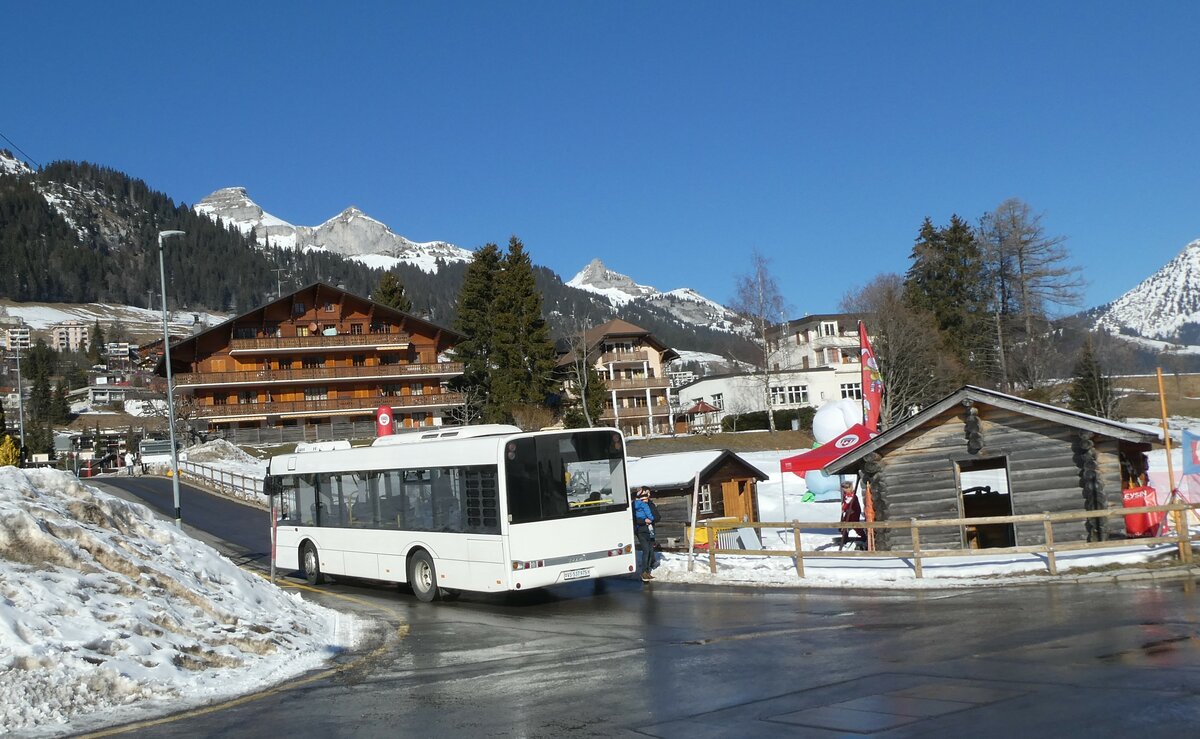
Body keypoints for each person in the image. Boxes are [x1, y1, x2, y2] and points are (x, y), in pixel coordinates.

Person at [633, 487, 658, 581]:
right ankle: (644, 572)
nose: (647, 496)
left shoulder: (637, 505)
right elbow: (650, 516)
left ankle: (646, 572)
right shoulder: (643, 505)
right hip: (642, 530)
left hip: (646, 530)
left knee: (649, 550)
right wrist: (646, 520)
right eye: (645, 494)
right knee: (646, 550)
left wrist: (651, 519)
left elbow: (657, 516)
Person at [839, 479, 866, 550]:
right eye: (844, 488)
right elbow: (845, 504)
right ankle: (844, 538)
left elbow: (855, 506)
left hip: (854, 513)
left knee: (855, 525)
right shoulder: (845, 496)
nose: (845, 490)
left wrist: (852, 510)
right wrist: (844, 508)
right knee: (843, 525)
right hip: (848, 512)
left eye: (846, 488)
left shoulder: (853, 496)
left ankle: (863, 537)